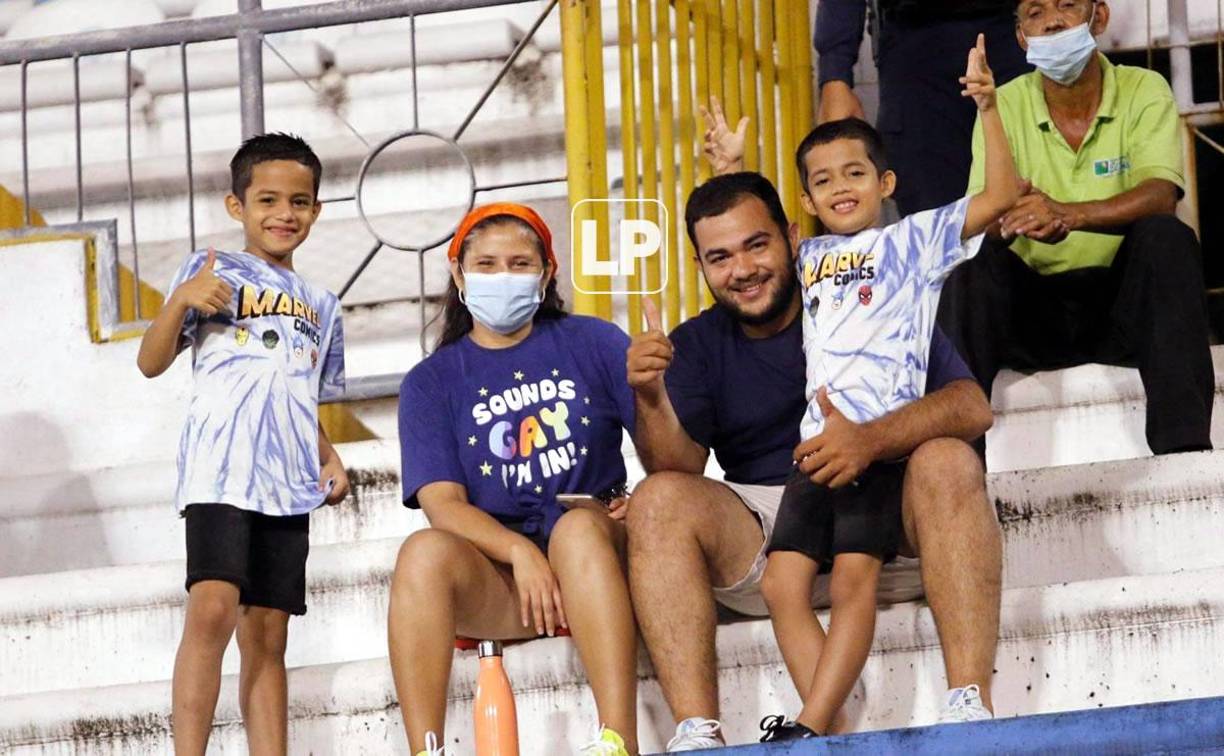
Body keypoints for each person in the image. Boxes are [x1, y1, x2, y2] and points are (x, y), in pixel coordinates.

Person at [625, 165, 1002, 748]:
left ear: (795, 239)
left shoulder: (865, 295)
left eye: (757, 244)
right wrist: (649, 396)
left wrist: (870, 440)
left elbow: (972, 407)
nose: (743, 269)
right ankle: (699, 732)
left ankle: (970, 706)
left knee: (949, 459)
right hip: (772, 535)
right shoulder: (695, 342)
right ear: (700, 268)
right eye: (720, 257)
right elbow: (676, 473)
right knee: (656, 501)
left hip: (887, 518)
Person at [753, 36, 1018, 741]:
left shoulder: (914, 242)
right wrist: (729, 167)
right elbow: (757, 237)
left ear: (887, 183)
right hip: (815, 450)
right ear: (805, 198)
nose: (841, 187)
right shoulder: (804, 256)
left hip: (875, 448)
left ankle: (808, 725)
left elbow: (1000, 196)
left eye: (856, 173)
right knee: (781, 582)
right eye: (823, 180)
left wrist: (988, 108)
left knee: (852, 580)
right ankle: (832, 720)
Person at [388, 203, 640, 756]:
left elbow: (672, 461)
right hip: (510, 586)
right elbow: (443, 506)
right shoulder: (431, 382)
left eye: (520, 263)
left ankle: (619, 740)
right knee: (422, 553)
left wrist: (656, 391)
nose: (503, 276)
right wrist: (518, 552)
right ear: (459, 275)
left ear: (547, 273)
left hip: (599, 559)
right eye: (487, 264)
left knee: (576, 531)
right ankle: (425, 751)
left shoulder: (594, 341)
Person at [136, 133, 349, 756]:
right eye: (268, 200)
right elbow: (150, 364)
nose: (285, 213)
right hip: (220, 472)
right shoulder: (209, 270)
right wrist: (178, 302)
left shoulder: (325, 305)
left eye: (300, 202)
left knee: (269, 635)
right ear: (237, 206)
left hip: (288, 485)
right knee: (211, 609)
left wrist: (327, 454)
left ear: (316, 210)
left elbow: (298, 393)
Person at [943, 0, 1213, 456]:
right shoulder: (1003, 103)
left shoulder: (1143, 88)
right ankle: (958, 470)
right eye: (1034, 12)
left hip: (1121, 310)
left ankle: (1183, 455)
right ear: (1021, 37)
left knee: (1167, 240)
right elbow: (978, 218)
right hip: (1033, 313)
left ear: (1099, 17)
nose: (1052, 20)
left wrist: (1068, 213)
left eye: (1067, 5)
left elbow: (1160, 194)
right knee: (968, 272)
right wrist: (1010, 215)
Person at [813, 0, 1029, 215]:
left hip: (1014, 34)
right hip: (914, 48)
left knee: (1029, 207)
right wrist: (835, 75)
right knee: (931, 220)